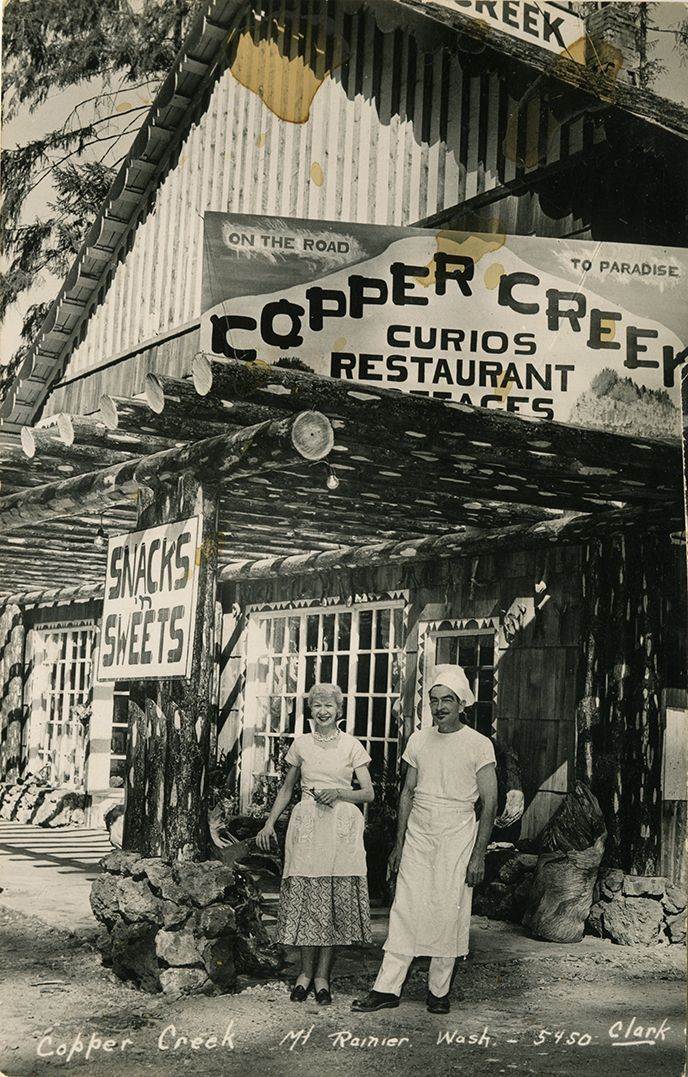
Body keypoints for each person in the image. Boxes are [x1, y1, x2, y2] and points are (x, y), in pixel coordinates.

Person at [352, 664, 497, 1015]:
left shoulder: (479, 745)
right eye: (434, 700)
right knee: (405, 909)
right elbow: (406, 793)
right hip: (419, 832)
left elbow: (490, 803)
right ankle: (386, 989)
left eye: (448, 699)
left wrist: (478, 856)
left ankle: (438, 991)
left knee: (448, 911)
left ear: (462, 703)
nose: (440, 706)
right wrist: (399, 845)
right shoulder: (418, 740)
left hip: (458, 833)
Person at [256, 682, 374, 1005]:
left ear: (339, 711)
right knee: (309, 900)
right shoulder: (302, 744)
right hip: (307, 825)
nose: (323, 711)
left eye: (329, 706)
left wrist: (338, 793)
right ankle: (304, 974)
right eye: (317, 705)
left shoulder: (352, 746)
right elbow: (286, 789)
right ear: (310, 710)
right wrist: (269, 822)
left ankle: (323, 977)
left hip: (340, 828)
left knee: (332, 902)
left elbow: (368, 793)